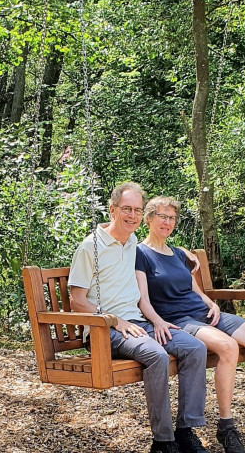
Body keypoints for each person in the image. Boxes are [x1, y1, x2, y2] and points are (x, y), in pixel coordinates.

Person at [134, 196, 245, 453]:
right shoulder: (140, 254)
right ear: (149, 218)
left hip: (203, 313)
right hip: (179, 320)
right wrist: (157, 321)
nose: (167, 222)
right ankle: (226, 426)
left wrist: (211, 303)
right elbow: (143, 298)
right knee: (228, 347)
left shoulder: (177, 253)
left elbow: (194, 288)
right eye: (162, 216)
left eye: (172, 218)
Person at [69, 182, 210, 453]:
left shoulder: (132, 241)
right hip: (104, 330)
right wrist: (114, 320)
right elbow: (77, 300)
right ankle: (163, 441)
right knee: (156, 355)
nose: (132, 216)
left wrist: (185, 254)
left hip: (138, 323)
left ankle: (185, 430)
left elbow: (158, 244)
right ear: (112, 210)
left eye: (136, 210)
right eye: (126, 209)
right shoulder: (91, 247)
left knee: (195, 348)